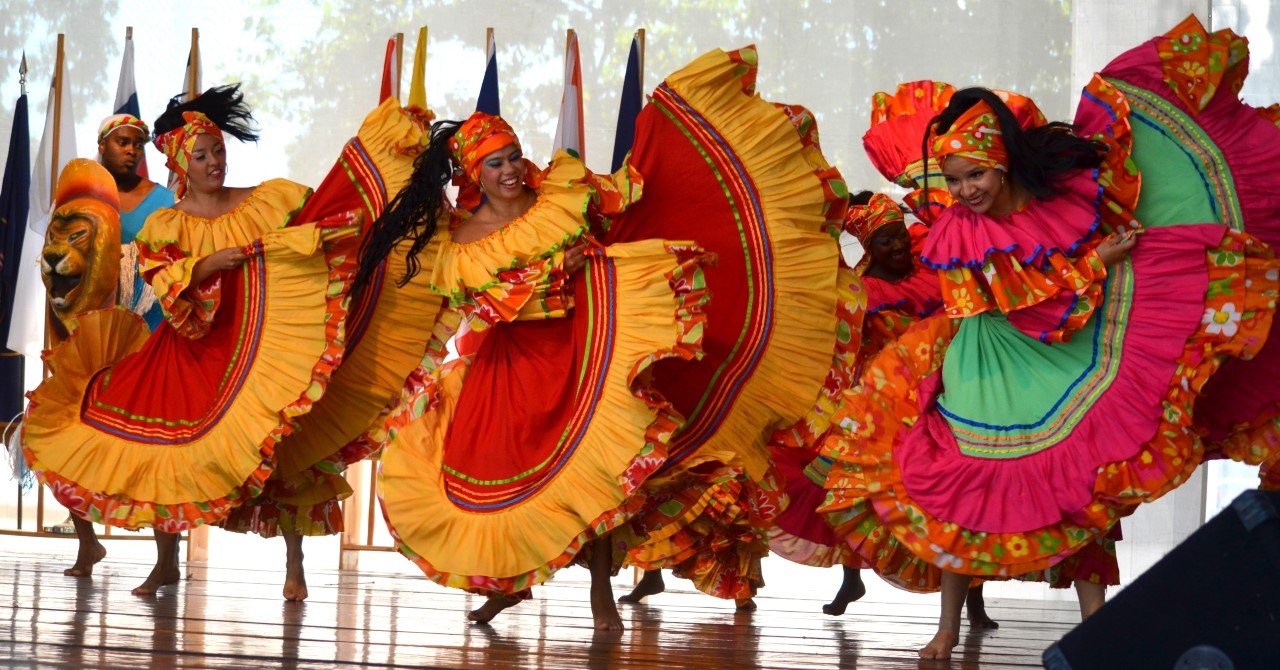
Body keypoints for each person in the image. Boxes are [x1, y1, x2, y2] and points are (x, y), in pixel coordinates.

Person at [367, 47, 843, 631]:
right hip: (514, 373)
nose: (511, 169)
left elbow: (625, 200)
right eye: (494, 163)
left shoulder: (559, 194)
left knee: (605, 472)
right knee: (530, 489)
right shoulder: (464, 240)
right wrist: (559, 269)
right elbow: (494, 307)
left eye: (513, 154)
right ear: (472, 175)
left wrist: (665, 133)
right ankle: (511, 588)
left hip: (588, 348)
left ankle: (600, 595)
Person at [820, 68, 1278, 660]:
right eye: (955, 181)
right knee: (961, 488)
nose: (963, 192)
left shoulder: (1055, 201)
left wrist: (1112, 255)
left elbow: (1087, 243)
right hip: (988, 356)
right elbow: (999, 299)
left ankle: (1097, 630)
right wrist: (1093, 266)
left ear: (1003, 163)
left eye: (975, 175)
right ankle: (946, 629)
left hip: (1060, 346)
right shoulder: (958, 230)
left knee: (1084, 481)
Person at [21, 84, 358, 597]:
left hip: (261, 348)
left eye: (218, 151)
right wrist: (206, 265)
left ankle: (295, 566)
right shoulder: (167, 222)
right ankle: (166, 563)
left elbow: (318, 233)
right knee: (163, 455)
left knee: (286, 445)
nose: (214, 162)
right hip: (188, 346)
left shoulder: (268, 199)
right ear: (181, 165)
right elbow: (161, 277)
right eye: (201, 155)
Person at [61, 114, 176, 580]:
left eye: (138, 144)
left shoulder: (167, 201)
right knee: (72, 439)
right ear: (103, 147)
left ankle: (167, 561)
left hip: (151, 337)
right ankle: (88, 543)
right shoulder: (82, 201)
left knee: (155, 450)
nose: (132, 151)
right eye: (123, 142)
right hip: (93, 336)